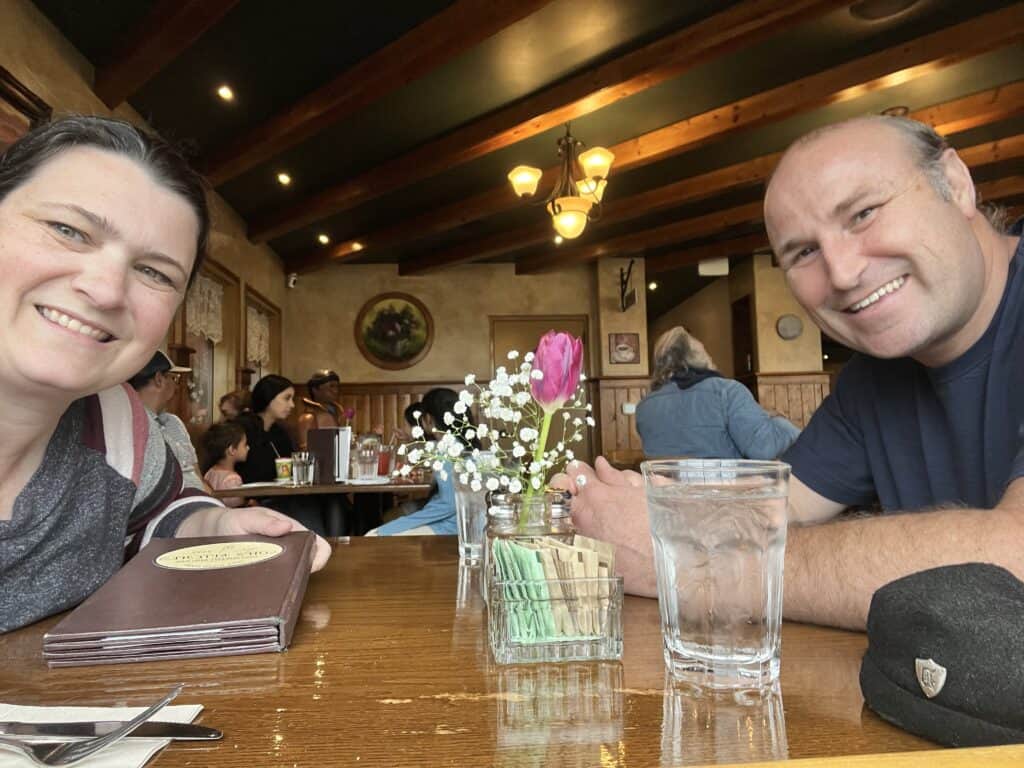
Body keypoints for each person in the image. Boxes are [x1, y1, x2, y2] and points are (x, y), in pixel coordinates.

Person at [560, 115, 1023, 630]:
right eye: (804, 252)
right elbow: (776, 506)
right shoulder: (877, 376)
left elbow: (1014, 564)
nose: (843, 273)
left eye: (864, 213)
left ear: (956, 184)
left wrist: (686, 562)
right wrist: (633, 511)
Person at [0, 115, 329, 633]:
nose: (107, 290)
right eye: (68, 231)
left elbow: (159, 513)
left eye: (154, 272)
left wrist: (217, 523)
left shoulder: (117, 423)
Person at [636, 326, 799, 459]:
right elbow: (764, 449)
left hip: (665, 496)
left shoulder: (645, 406)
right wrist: (778, 421)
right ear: (699, 357)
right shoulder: (727, 392)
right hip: (724, 495)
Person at [367, 388, 465, 536]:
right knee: (383, 526)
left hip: (448, 525)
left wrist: (386, 530)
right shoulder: (454, 444)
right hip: (449, 517)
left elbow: (448, 505)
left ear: (428, 419)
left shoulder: (447, 449)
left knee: (374, 533)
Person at [128, 350, 204, 489]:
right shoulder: (132, 425)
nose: (177, 386)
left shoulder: (174, 422)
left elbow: (195, 472)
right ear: (159, 379)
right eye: (174, 378)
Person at [234, 374, 295, 484]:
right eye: (287, 398)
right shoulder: (242, 429)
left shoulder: (280, 432)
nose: (292, 405)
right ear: (268, 397)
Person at [201, 421, 249, 508]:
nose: (248, 447)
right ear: (231, 450)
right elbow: (237, 509)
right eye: (245, 445)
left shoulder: (210, 472)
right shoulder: (233, 479)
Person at [296, 369, 343, 449]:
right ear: (315, 390)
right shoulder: (308, 418)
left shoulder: (338, 412)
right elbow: (306, 450)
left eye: (336, 386)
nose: (335, 391)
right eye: (331, 386)